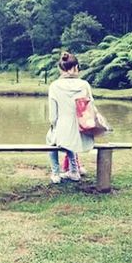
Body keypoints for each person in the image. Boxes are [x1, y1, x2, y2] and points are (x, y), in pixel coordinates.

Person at [46, 52, 94, 184]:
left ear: (61, 69)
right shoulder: (84, 85)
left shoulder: (55, 86)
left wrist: (54, 125)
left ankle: (56, 173)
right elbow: (91, 107)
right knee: (71, 137)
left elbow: (53, 116)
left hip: (63, 130)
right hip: (82, 130)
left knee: (50, 139)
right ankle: (74, 171)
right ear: (77, 67)